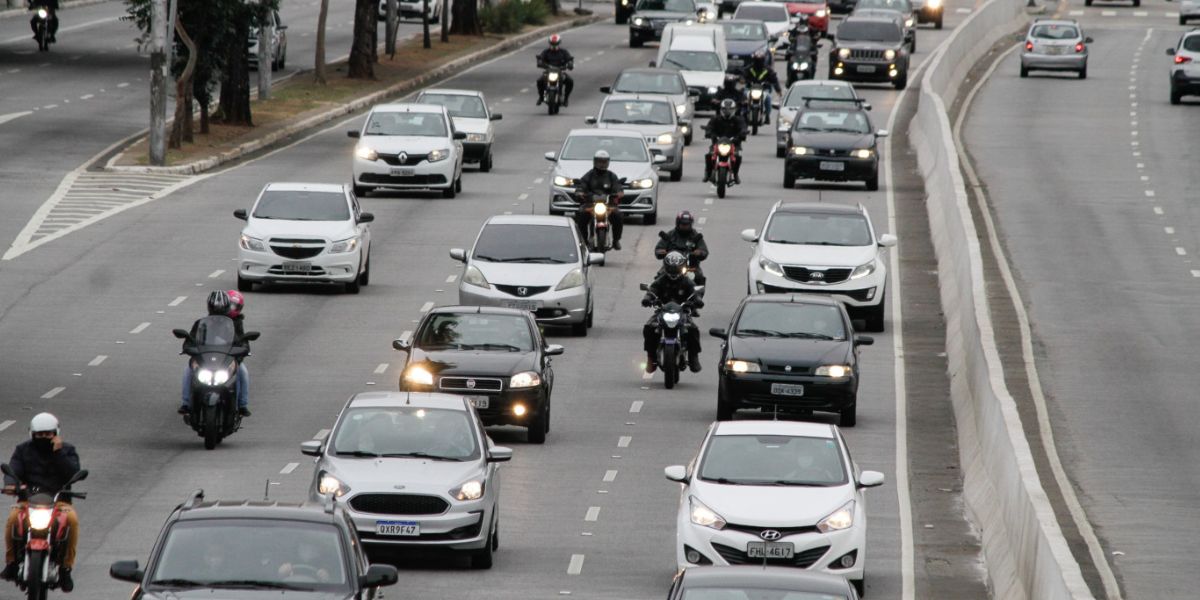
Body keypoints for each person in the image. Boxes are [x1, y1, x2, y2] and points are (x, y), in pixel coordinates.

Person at [2, 414, 81, 592]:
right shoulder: (22, 450)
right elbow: (13, 470)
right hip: (28, 501)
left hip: (58, 502)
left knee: (73, 520)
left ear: (56, 433)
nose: (44, 437)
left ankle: (66, 568)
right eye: (40, 434)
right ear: (32, 434)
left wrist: (58, 452)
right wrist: (11, 485)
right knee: (13, 518)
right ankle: (12, 562)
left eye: (48, 434)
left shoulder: (67, 450)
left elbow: (72, 473)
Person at [179, 290, 252, 417]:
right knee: (188, 370)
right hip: (205, 358)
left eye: (221, 308)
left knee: (243, 372)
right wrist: (188, 348)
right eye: (215, 308)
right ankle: (186, 403)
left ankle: (242, 405)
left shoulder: (234, 324)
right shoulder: (201, 323)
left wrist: (242, 351)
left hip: (227, 358)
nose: (218, 311)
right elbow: (190, 340)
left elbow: (242, 341)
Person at [642, 251, 703, 374]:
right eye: (671, 268)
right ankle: (651, 358)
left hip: (682, 312)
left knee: (693, 329)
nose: (674, 271)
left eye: (677, 268)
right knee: (649, 327)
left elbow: (695, 291)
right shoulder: (661, 280)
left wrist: (697, 300)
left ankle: (693, 357)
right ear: (666, 267)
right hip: (662, 311)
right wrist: (647, 298)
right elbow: (652, 289)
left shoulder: (686, 281)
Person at [573, 150, 625, 250]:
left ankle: (616, 240)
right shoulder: (589, 175)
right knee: (581, 214)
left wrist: (619, 192)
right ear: (595, 161)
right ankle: (583, 241)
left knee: (618, 215)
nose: (602, 164)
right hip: (590, 204)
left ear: (608, 162)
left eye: (604, 161)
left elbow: (617, 185)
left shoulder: (611, 176)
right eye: (600, 161)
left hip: (608, 205)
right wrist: (580, 192)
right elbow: (582, 185)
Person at [655, 211, 710, 285]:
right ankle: (652, 295)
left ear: (691, 224)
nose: (685, 226)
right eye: (683, 224)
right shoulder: (670, 235)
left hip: (690, 267)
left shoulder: (696, 236)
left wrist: (699, 252)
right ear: (678, 223)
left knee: (698, 277)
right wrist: (660, 251)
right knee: (659, 277)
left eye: (687, 224)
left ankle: (696, 295)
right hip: (670, 267)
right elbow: (659, 248)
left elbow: (703, 250)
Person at [703, 99, 748, 184]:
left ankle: (735, 174)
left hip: (733, 144)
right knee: (709, 155)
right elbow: (709, 127)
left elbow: (743, 128)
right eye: (724, 109)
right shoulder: (716, 119)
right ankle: (708, 173)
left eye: (729, 109)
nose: (727, 111)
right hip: (717, 143)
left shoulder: (738, 120)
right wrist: (709, 133)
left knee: (737, 156)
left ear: (734, 109)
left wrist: (742, 135)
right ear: (721, 109)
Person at [740, 50, 783, 120]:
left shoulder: (768, 69)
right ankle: (743, 112)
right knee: (743, 96)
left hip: (764, 89)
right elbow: (743, 74)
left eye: (760, 60)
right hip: (750, 88)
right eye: (757, 60)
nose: (758, 62)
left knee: (768, 98)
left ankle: (767, 115)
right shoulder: (749, 68)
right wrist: (742, 79)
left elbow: (774, 79)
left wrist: (778, 90)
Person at [535, 34, 574, 107]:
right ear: (549, 43)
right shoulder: (546, 52)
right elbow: (540, 58)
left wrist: (570, 64)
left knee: (570, 81)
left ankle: (566, 98)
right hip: (548, 72)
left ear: (559, 43)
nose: (554, 45)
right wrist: (540, 62)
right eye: (552, 44)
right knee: (539, 81)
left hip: (560, 72)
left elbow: (569, 59)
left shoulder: (563, 52)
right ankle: (541, 97)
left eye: (555, 44)